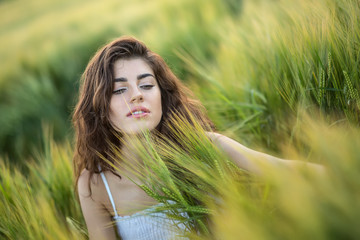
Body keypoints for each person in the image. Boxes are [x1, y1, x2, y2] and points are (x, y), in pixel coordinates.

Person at [72, 36, 323, 240]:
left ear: (162, 95)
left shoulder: (203, 146)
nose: (136, 95)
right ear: (100, 107)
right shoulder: (95, 185)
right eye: (119, 89)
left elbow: (284, 169)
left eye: (147, 85)